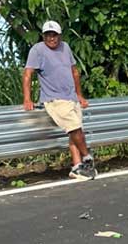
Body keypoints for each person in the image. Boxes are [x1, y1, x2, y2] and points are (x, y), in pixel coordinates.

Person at [23, 21, 96, 180]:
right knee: (75, 128)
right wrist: (27, 99)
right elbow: (28, 74)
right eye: (48, 35)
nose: (51, 38)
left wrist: (79, 95)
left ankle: (77, 167)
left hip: (71, 97)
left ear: (59, 35)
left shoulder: (66, 47)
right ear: (43, 36)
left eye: (54, 35)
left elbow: (74, 72)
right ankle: (87, 158)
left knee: (75, 132)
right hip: (54, 99)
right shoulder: (37, 50)